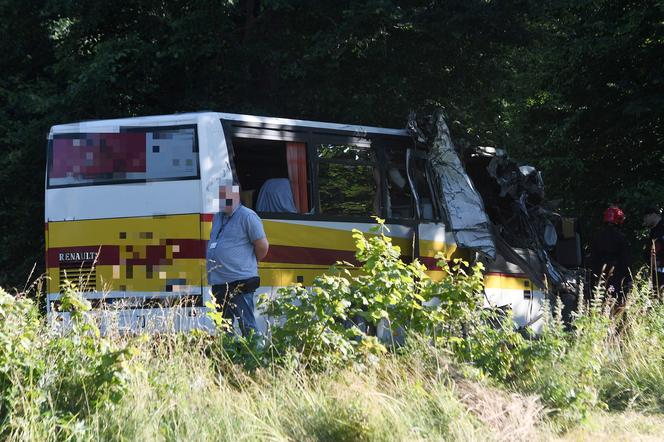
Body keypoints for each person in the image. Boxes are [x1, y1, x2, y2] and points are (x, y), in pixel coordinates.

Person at [206, 182, 269, 336]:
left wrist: (246, 263)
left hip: (240, 281)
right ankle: (229, 357)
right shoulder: (217, 218)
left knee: (247, 326)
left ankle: (255, 357)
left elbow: (262, 247)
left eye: (224, 196)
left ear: (235, 196)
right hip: (219, 282)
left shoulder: (247, 216)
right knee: (223, 327)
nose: (221, 200)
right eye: (219, 196)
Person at [589, 205, 631, 304]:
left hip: (599, 273)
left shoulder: (596, 235)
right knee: (615, 300)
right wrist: (629, 278)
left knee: (599, 300)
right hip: (617, 273)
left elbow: (592, 257)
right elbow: (625, 259)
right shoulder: (621, 237)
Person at [643, 206, 664, 292]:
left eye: (645, 217)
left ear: (653, 215)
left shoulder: (662, 229)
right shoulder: (654, 231)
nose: (644, 220)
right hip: (655, 273)